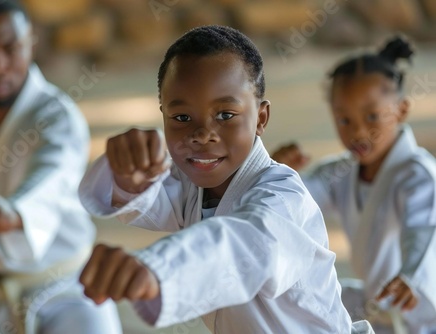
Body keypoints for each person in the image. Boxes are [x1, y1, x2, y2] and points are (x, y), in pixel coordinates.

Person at [77, 25, 373, 333]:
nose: (203, 134)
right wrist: (129, 173)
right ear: (163, 114)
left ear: (261, 118)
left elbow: (243, 246)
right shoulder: (195, 187)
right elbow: (146, 194)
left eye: (225, 115)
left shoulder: (284, 198)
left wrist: (157, 269)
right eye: (181, 118)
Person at [0, 1, 122, 333]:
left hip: (67, 291)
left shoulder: (57, 119)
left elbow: (49, 179)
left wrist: (14, 213)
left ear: (30, 45)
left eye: (10, 48)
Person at [272, 36, 436, 334]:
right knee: (292, 301)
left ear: (401, 110)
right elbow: (295, 202)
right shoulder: (342, 173)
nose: (358, 131)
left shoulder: (417, 174)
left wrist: (410, 275)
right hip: (378, 304)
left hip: (422, 309)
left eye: (372, 116)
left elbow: (422, 228)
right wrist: (278, 173)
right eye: (344, 120)